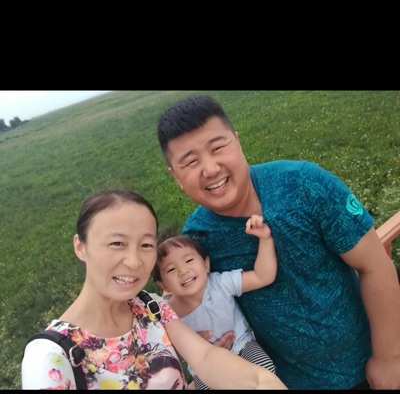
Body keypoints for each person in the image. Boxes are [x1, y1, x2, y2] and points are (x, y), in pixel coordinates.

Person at [156, 95, 400, 390]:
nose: (210, 169)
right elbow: (184, 302)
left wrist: (388, 358)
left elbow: (375, 265)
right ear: (176, 177)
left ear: (237, 141)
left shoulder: (305, 184)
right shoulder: (196, 243)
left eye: (218, 147)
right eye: (191, 162)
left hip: (368, 363)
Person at [21, 189, 286, 390]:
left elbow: (205, 357)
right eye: (117, 243)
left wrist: (263, 382)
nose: (134, 262)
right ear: (81, 246)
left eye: (146, 245)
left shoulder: (150, 307)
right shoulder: (50, 358)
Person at [154, 214, 277, 389]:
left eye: (189, 260)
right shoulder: (168, 312)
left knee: (265, 370)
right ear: (163, 285)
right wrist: (190, 344)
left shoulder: (220, 284)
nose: (183, 271)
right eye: (171, 269)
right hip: (204, 365)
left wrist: (265, 239)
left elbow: (262, 277)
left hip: (241, 346)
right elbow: (164, 350)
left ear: (206, 264)